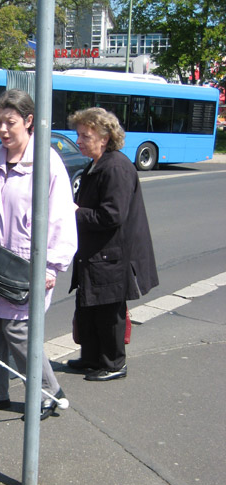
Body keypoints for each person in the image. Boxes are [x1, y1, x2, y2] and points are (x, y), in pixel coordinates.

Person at [0, 89, 77, 420]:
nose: (3, 130)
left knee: (19, 332)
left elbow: (61, 218)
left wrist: (52, 266)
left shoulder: (47, 162)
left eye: (10, 123)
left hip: (27, 262)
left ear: (28, 121)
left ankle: (49, 392)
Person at [67, 107, 158, 381]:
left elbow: (112, 215)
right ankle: (93, 357)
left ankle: (114, 363)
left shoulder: (115, 166)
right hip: (97, 253)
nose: (79, 140)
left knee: (108, 312)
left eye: (85, 135)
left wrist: (74, 212)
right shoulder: (97, 163)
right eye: (78, 135)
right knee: (89, 307)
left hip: (112, 255)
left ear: (105, 137)